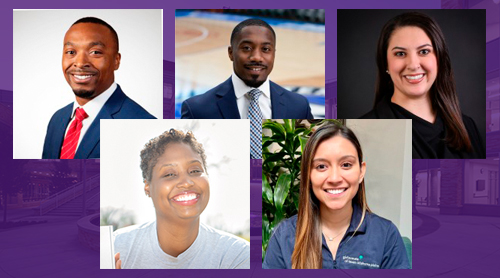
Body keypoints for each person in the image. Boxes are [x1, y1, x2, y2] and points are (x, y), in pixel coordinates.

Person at [262, 123, 410, 269]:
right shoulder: (284, 235)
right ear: (308, 175)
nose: (334, 178)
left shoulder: (386, 234)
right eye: (321, 166)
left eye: (346, 165)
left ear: (361, 171)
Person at [113, 129, 250, 269]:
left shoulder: (237, 255)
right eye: (169, 174)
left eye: (195, 171)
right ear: (148, 187)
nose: (186, 182)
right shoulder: (115, 248)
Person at [360, 12, 484, 159]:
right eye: (400, 54)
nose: (413, 65)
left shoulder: (468, 126)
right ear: (385, 63)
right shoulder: (364, 133)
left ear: (439, 59)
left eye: (424, 51)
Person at [42, 17, 155, 159]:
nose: (80, 63)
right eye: (71, 52)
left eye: (95, 52)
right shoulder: (57, 119)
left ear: (116, 61)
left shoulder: (143, 126)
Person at [180, 18, 313, 120]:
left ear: (274, 54)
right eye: (247, 48)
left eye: (265, 49)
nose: (256, 57)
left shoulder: (299, 106)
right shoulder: (197, 109)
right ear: (231, 53)